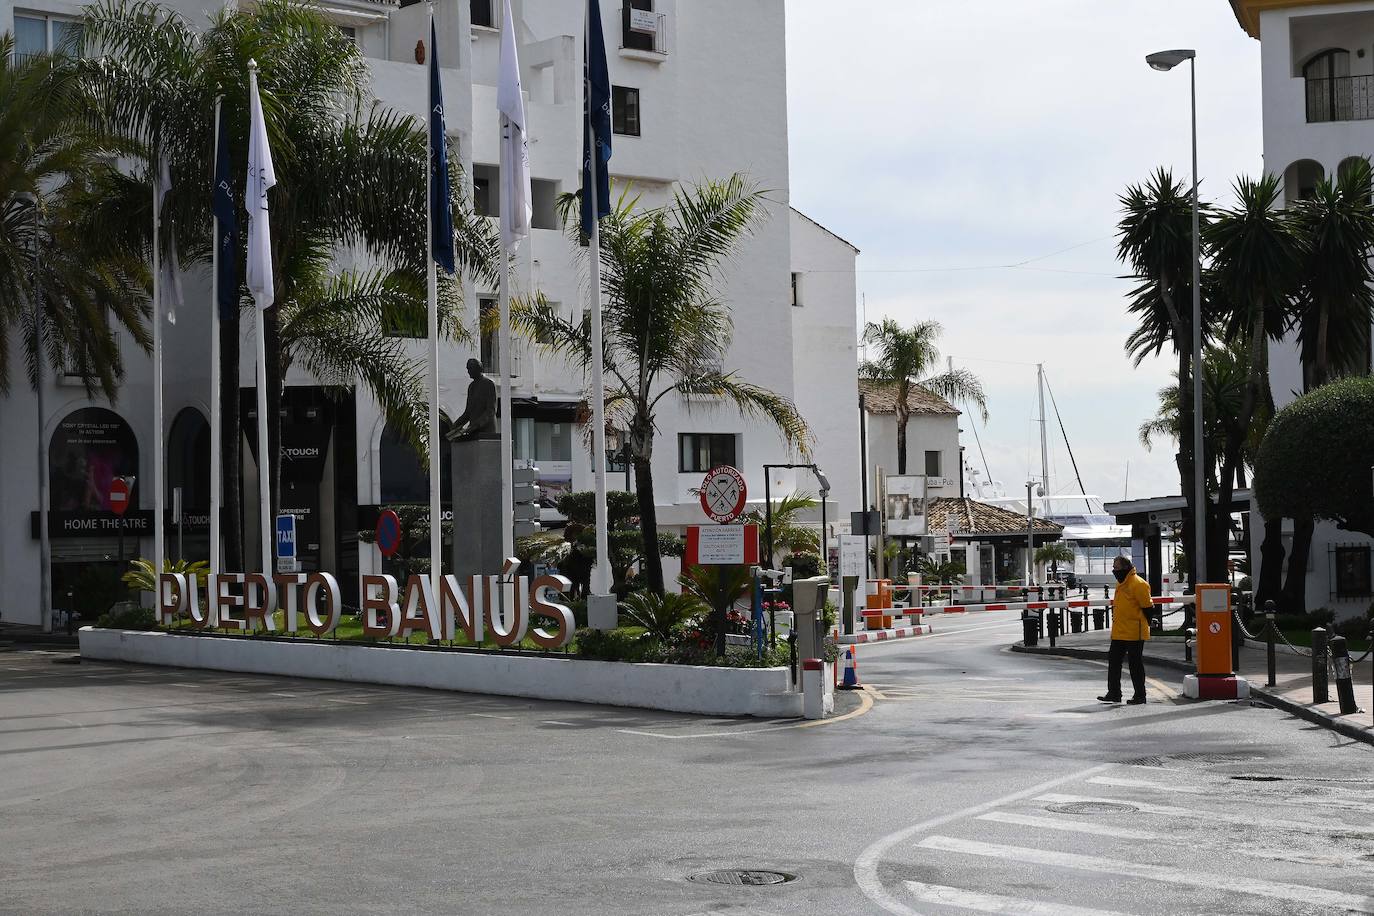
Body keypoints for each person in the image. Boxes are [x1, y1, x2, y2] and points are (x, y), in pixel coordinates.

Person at [1099, 555, 1153, 705]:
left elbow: (1148, 608)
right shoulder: (1120, 583)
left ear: (1125, 568)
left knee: (1135, 664)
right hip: (1119, 631)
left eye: (1116, 567)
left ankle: (1140, 695)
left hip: (1135, 631)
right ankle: (1114, 693)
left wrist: (1147, 624)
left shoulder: (1138, 584)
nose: (1114, 570)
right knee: (1113, 662)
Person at [451, 358, 497, 441]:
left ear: (478, 368)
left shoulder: (489, 384)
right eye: (468, 369)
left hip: (486, 432)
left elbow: (491, 410)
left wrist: (476, 425)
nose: (468, 371)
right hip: (473, 431)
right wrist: (456, 425)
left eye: (470, 368)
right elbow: (468, 412)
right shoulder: (471, 386)